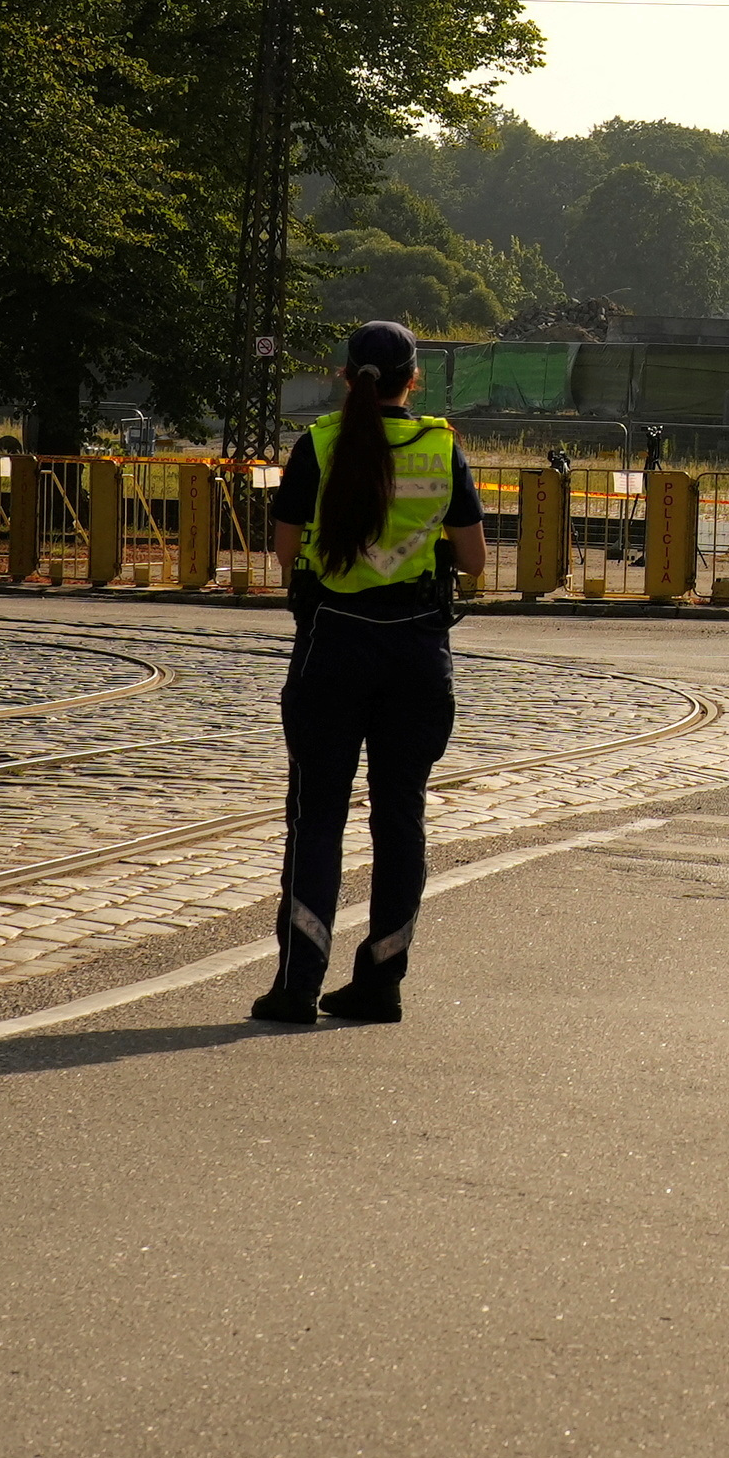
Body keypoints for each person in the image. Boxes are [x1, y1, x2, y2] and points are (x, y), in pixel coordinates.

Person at [252, 320, 485, 1027]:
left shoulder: (319, 443)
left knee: (316, 817)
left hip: (334, 644)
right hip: (416, 652)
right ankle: (381, 981)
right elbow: (473, 559)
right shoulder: (442, 447)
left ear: (346, 376)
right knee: (400, 817)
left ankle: (298, 985)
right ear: (415, 379)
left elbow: (285, 545)